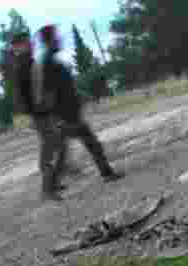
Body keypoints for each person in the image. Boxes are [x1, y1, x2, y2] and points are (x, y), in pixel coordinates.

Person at [32, 24, 121, 197]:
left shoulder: (52, 61)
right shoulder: (48, 63)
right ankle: (106, 173)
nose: (60, 40)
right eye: (56, 37)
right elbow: (48, 93)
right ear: (50, 40)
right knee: (89, 145)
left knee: (68, 152)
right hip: (65, 116)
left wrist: (81, 95)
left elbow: (65, 88)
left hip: (68, 114)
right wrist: (56, 118)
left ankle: (50, 187)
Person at [8, 30, 65, 201]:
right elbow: (26, 94)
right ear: (18, 47)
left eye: (30, 42)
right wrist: (34, 112)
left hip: (43, 111)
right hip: (38, 113)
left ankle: (51, 183)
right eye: (26, 43)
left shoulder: (29, 61)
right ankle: (47, 189)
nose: (31, 44)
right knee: (48, 148)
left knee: (54, 144)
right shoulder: (22, 65)